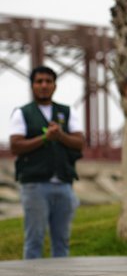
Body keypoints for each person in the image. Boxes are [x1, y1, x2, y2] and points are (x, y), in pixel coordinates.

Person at [9, 66, 84, 259]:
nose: (44, 85)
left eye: (48, 81)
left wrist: (59, 136)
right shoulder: (22, 113)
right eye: (39, 81)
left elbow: (79, 143)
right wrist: (44, 139)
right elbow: (15, 145)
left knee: (62, 240)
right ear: (32, 85)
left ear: (55, 85)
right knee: (34, 239)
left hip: (64, 185)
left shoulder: (67, 112)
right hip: (34, 185)